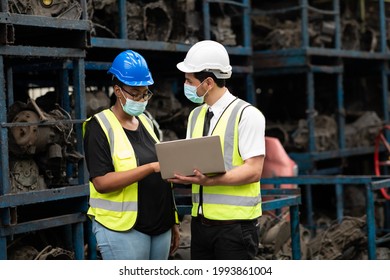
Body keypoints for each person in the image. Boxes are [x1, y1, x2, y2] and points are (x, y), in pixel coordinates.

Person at [169, 40, 266, 260]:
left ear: (209, 82)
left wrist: (210, 181)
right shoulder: (195, 115)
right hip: (200, 224)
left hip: (235, 229)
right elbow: (191, 162)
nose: (186, 85)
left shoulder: (247, 115)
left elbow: (254, 171)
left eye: (189, 80)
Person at [83, 50, 180, 260]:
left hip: (160, 225)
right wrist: (150, 168)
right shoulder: (99, 126)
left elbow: (164, 179)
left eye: (145, 93)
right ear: (118, 90)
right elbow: (101, 182)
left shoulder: (145, 121)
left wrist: (172, 220)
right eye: (134, 93)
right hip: (123, 229)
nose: (141, 99)